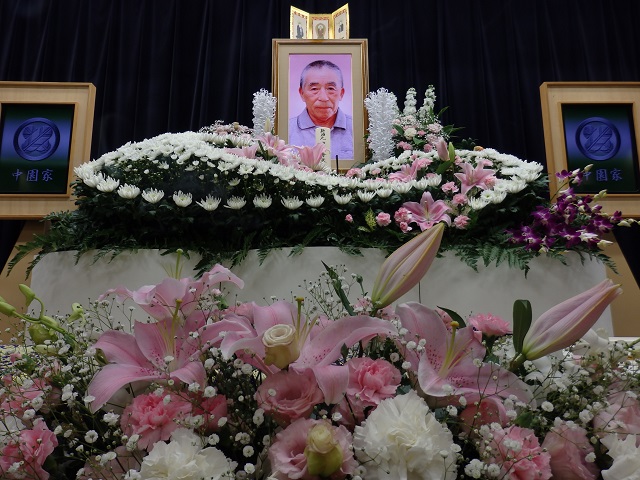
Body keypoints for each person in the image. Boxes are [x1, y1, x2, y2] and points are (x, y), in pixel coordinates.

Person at [288, 59, 354, 159]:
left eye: (331, 88)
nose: (323, 98)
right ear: (302, 93)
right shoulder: (287, 130)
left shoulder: (357, 130)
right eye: (314, 89)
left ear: (341, 93)